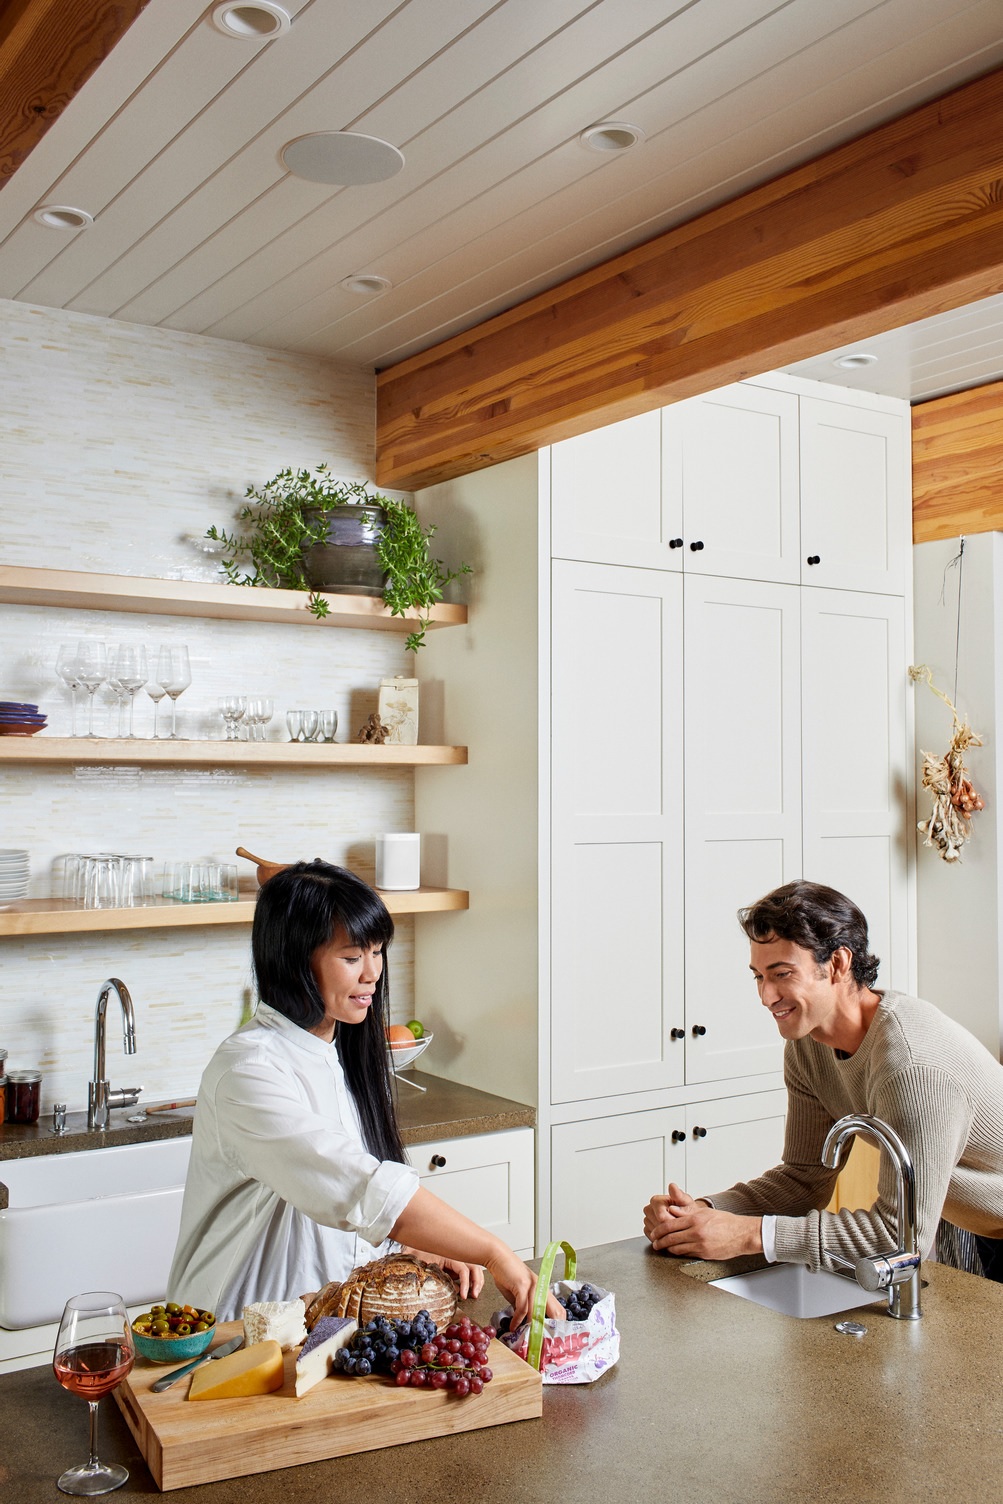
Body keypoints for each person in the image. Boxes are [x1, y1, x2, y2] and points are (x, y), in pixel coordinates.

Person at [168, 861, 556, 1324]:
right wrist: (494, 1251)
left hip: (316, 1328)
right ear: (294, 961)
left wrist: (419, 1245)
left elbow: (343, 1215)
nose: (373, 973)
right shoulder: (248, 1071)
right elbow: (356, 1187)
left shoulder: (339, 1051)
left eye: (378, 952)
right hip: (235, 1339)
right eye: (352, 957)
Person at [643, 880, 1003, 1281]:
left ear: (837, 964)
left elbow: (899, 1241)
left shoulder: (911, 1065)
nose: (766, 996)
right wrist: (700, 1214)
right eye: (758, 977)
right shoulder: (809, 1045)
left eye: (781, 974)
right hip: (985, 1224)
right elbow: (803, 1178)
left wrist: (750, 1234)